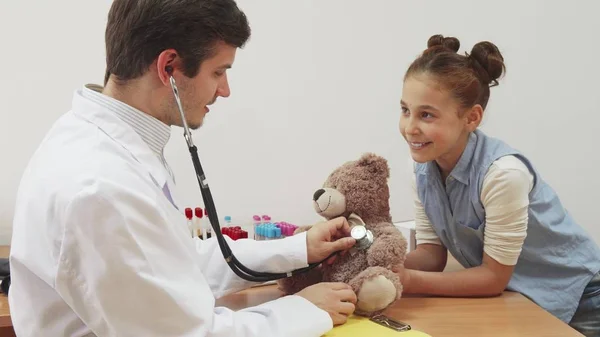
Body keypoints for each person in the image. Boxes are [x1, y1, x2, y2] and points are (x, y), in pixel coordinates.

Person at [8, 1, 358, 336]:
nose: (225, 90)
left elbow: (176, 266)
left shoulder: (105, 143)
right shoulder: (101, 188)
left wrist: (298, 249)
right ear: (169, 68)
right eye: (218, 72)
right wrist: (306, 310)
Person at [396, 34, 600, 336]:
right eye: (405, 110)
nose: (410, 127)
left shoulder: (503, 175)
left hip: (583, 298)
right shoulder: (422, 169)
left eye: (426, 114)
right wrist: (380, 265)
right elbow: (431, 254)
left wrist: (407, 280)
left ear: (472, 117)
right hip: (524, 298)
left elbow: (492, 279)